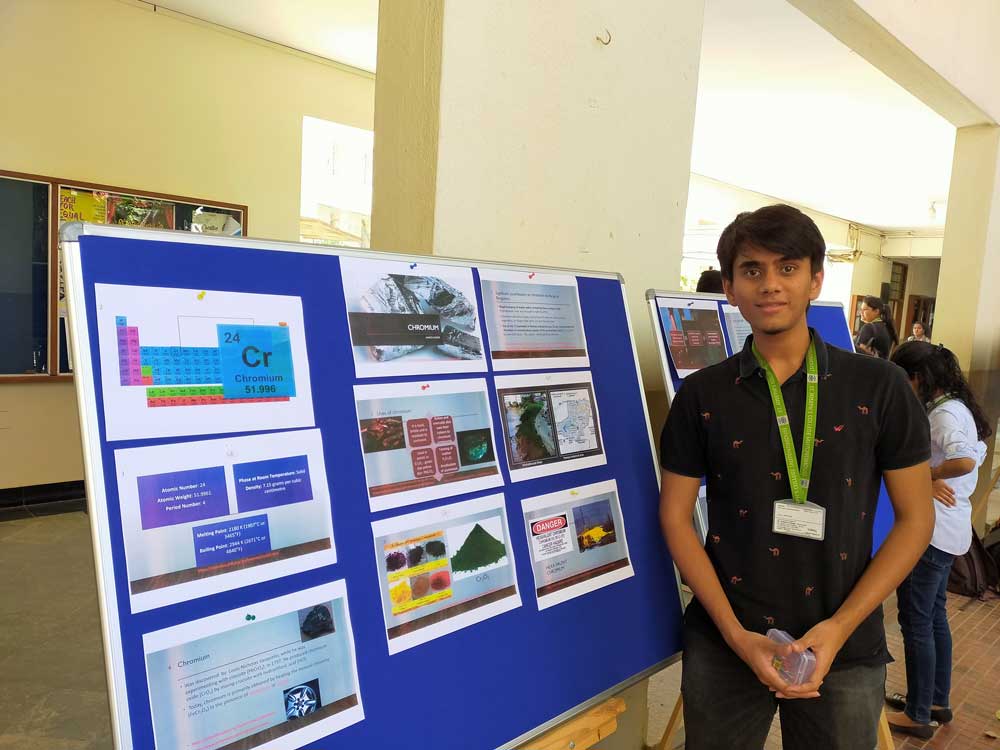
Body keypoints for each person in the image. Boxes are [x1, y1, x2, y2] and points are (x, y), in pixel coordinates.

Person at [659, 203, 934, 750]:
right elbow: (675, 517)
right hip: (727, 642)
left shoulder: (879, 388)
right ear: (731, 288)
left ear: (815, 280)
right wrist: (737, 637)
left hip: (844, 641)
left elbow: (915, 519)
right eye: (751, 270)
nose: (770, 285)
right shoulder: (702, 396)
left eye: (787, 268)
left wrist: (840, 628)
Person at [884, 342, 990, 739]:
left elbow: (963, 459)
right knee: (932, 617)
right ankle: (935, 701)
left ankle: (918, 713)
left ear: (918, 379)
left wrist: (923, 474)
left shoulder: (944, 414)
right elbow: (976, 452)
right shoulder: (957, 407)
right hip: (948, 529)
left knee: (916, 621)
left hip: (932, 533)